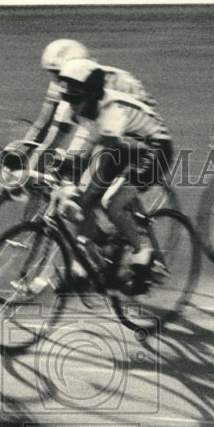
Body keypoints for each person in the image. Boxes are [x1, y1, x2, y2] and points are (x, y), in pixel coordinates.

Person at [51, 57, 174, 286]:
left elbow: (104, 157)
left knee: (111, 203)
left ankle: (142, 253)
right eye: (68, 98)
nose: (72, 105)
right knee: (82, 197)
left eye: (76, 100)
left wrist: (82, 192)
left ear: (92, 94)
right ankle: (89, 263)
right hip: (122, 145)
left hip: (154, 148)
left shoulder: (111, 110)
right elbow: (58, 143)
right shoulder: (75, 103)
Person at [6, 40, 155, 179]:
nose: (59, 81)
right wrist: (23, 151)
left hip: (132, 120)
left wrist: (74, 159)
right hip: (104, 119)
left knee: (91, 166)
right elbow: (46, 124)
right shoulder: (63, 85)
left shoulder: (98, 84)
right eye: (53, 74)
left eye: (61, 73)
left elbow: (93, 131)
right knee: (70, 161)